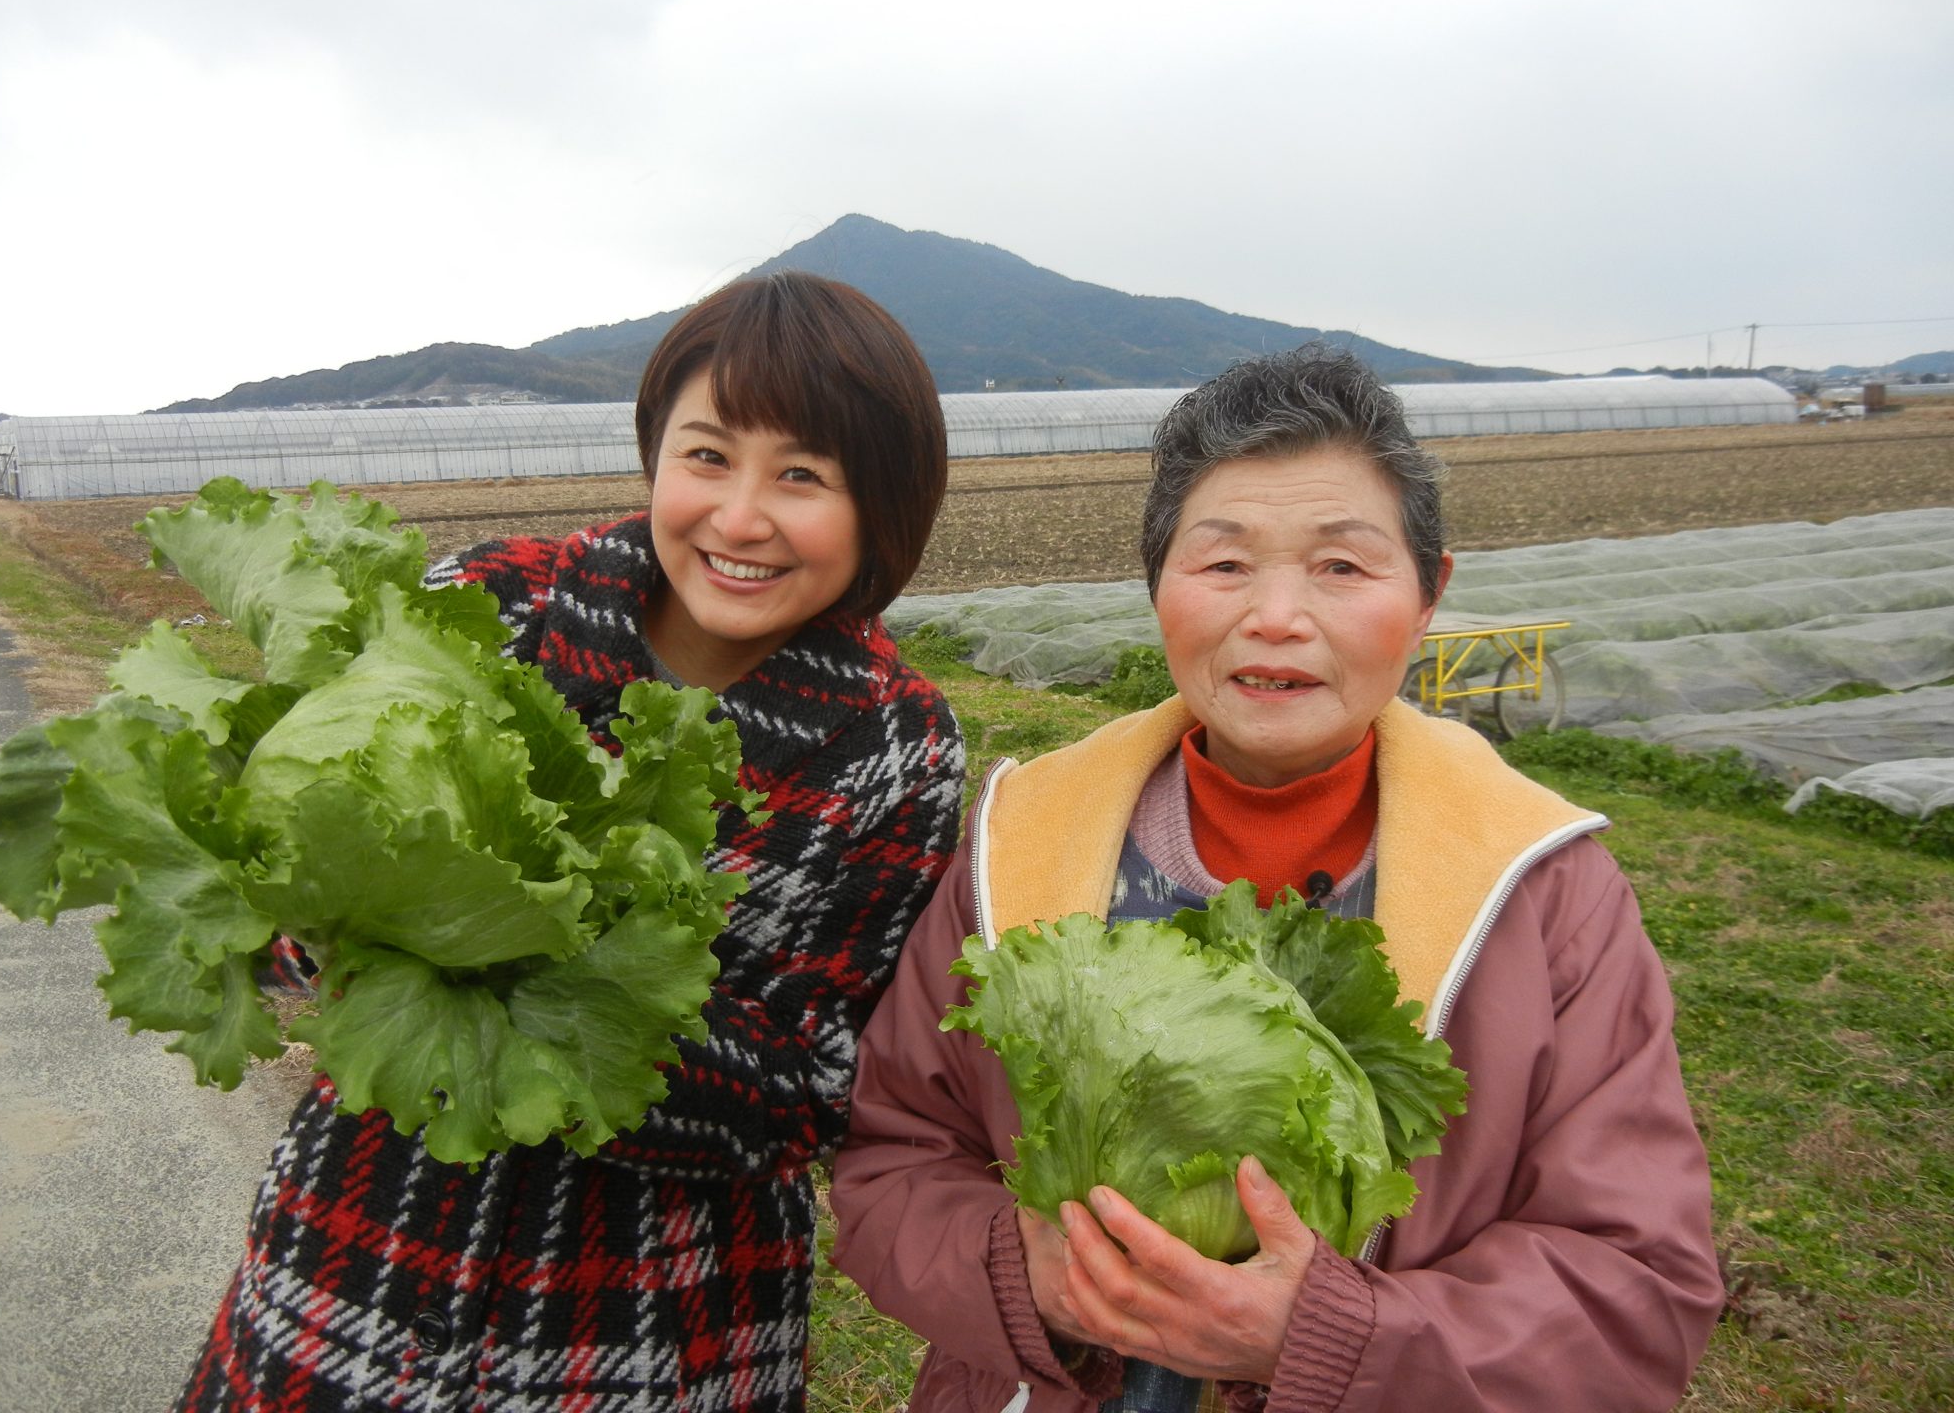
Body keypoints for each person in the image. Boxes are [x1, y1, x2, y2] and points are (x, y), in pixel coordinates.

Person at [829, 346, 1724, 1412]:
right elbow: (891, 1162)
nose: (1276, 617)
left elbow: (1636, 1288)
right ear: (1156, 584)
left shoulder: (1545, 897)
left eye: (1341, 568)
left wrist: (1327, 1338)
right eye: (1223, 565)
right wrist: (1027, 1276)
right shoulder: (1018, 841)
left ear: (1428, 594)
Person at [179, 272, 965, 1412]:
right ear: (655, 456)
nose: (739, 517)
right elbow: (291, 900)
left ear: (883, 504)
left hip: (656, 1313)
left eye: (802, 475)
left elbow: (808, 1085)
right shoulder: (489, 607)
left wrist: (516, 953)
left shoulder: (896, 744)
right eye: (705, 456)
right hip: (365, 1240)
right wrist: (346, 913)